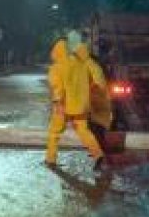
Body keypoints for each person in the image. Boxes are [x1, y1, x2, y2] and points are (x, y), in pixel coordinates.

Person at [45, 39, 105, 170]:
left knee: (54, 133)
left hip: (64, 105)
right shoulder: (81, 64)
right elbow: (95, 79)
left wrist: (58, 103)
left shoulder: (57, 67)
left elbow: (57, 88)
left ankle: (50, 159)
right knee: (83, 131)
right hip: (80, 107)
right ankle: (98, 154)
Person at [75, 43, 112, 152]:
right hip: (99, 103)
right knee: (97, 129)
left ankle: (101, 155)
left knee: (95, 129)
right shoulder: (95, 64)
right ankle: (101, 154)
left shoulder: (89, 66)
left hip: (96, 103)